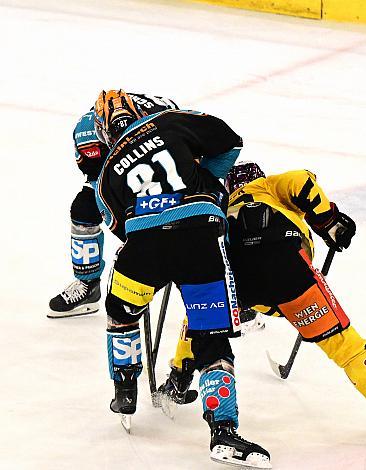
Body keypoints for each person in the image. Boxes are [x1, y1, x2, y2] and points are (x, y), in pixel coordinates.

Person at [158, 161, 366, 443]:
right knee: (344, 343)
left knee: (202, 318)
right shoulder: (268, 186)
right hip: (289, 271)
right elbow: (302, 181)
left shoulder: (220, 208)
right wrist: (328, 221)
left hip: (238, 276)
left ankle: (179, 377)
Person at [94, 90, 270, 468]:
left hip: (143, 247)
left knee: (121, 312)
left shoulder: (107, 170)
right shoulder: (170, 122)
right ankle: (224, 432)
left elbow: (117, 225)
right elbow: (230, 141)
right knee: (210, 337)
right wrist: (205, 182)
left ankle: (124, 388)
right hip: (199, 240)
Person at [48, 93, 178, 318]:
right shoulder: (86, 134)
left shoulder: (161, 115)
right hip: (116, 176)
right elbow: (99, 183)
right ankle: (87, 284)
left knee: (195, 221)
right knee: (83, 209)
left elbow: (187, 154)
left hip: (159, 170)